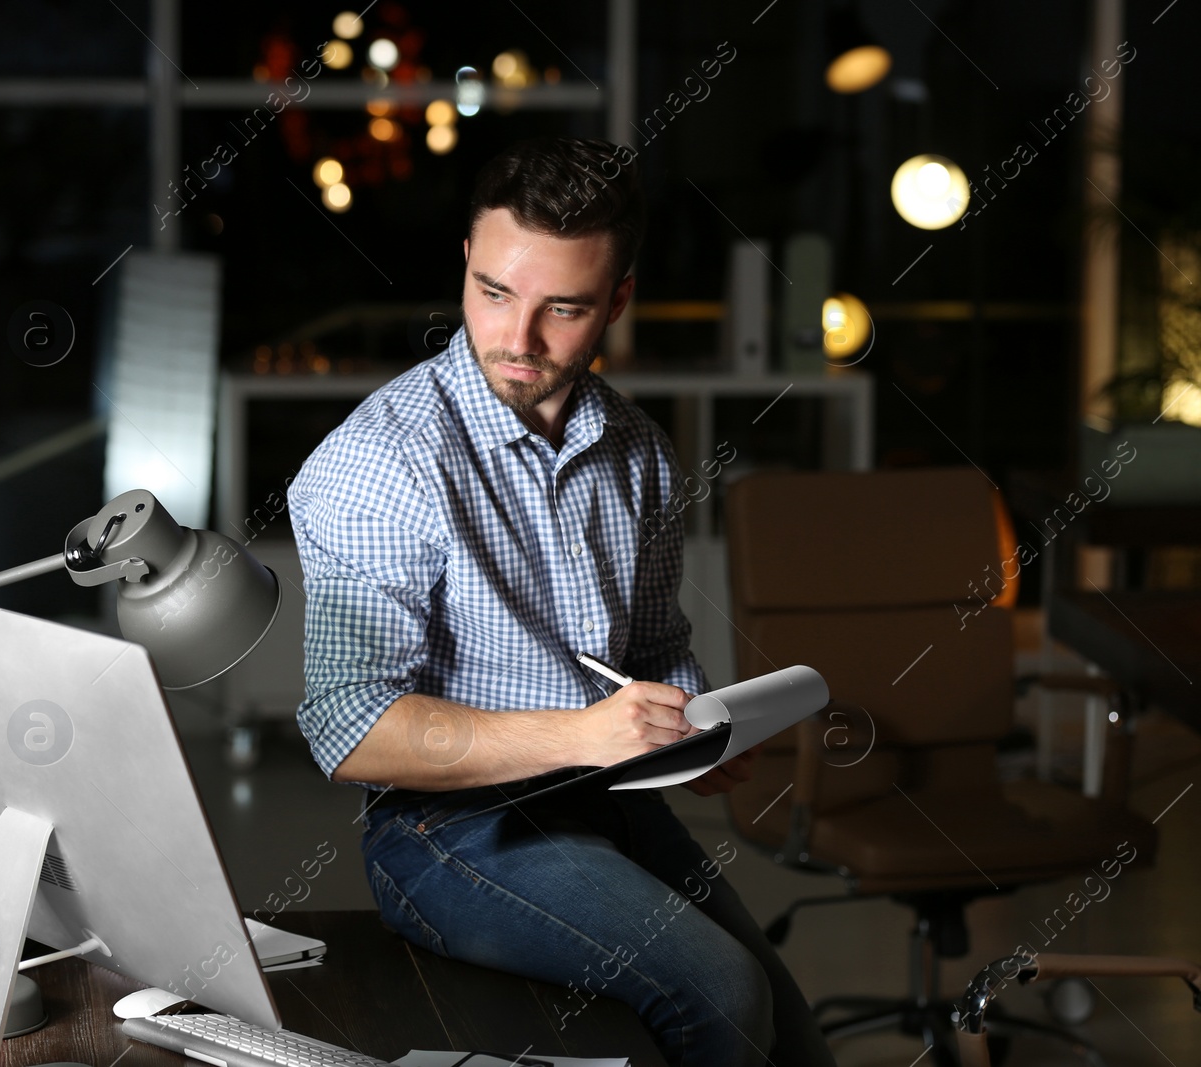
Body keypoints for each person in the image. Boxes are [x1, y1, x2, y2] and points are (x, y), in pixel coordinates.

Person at [287, 135, 835, 1067]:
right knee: (724, 990)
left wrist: (694, 723)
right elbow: (350, 726)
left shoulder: (641, 451)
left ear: (618, 300)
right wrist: (589, 734)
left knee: (796, 1044)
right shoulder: (378, 463)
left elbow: (655, 641)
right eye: (494, 291)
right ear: (466, 259)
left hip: (615, 799)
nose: (517, 338)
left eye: (563, 309)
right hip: (447, 832)